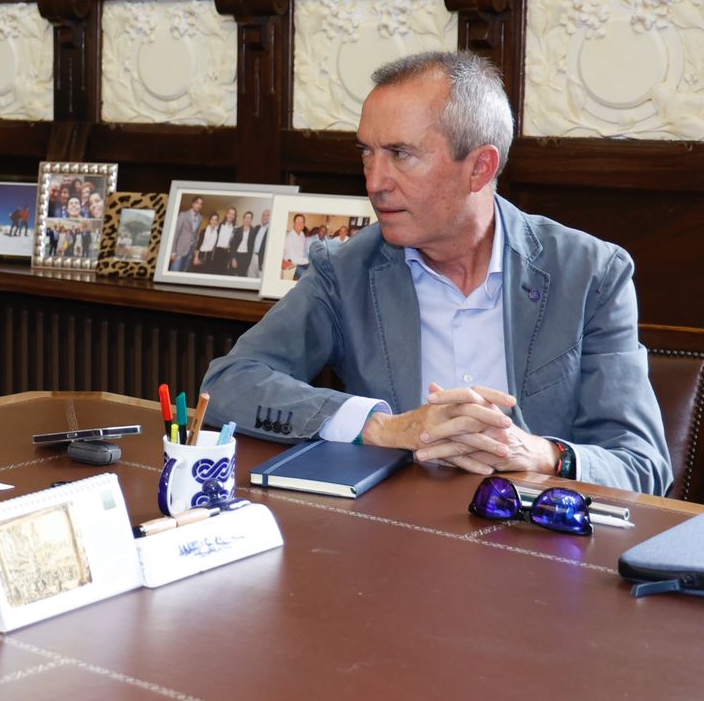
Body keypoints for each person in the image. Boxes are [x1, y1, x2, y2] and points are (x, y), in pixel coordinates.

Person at [202, 51, 671, 493]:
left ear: (480, 167)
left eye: (400, 154)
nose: (374, 182)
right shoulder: (345, 271)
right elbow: (228, 384)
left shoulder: (589, 275)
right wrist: (383, 427)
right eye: (366, 152)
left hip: (537, 535)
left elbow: (642, 465)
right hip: (394, 528)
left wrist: (540, 454)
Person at [168, 195, 203, 272]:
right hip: (179, 251)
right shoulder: (183, 214)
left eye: (201, 204)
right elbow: (175, 233)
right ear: (192, 204)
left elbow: (196, 234)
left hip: (190, 251)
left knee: (184, 271)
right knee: (175, 272)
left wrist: (194, 251)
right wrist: (172, 252)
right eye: (197, 203)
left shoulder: (200, 218)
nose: (199, 205)